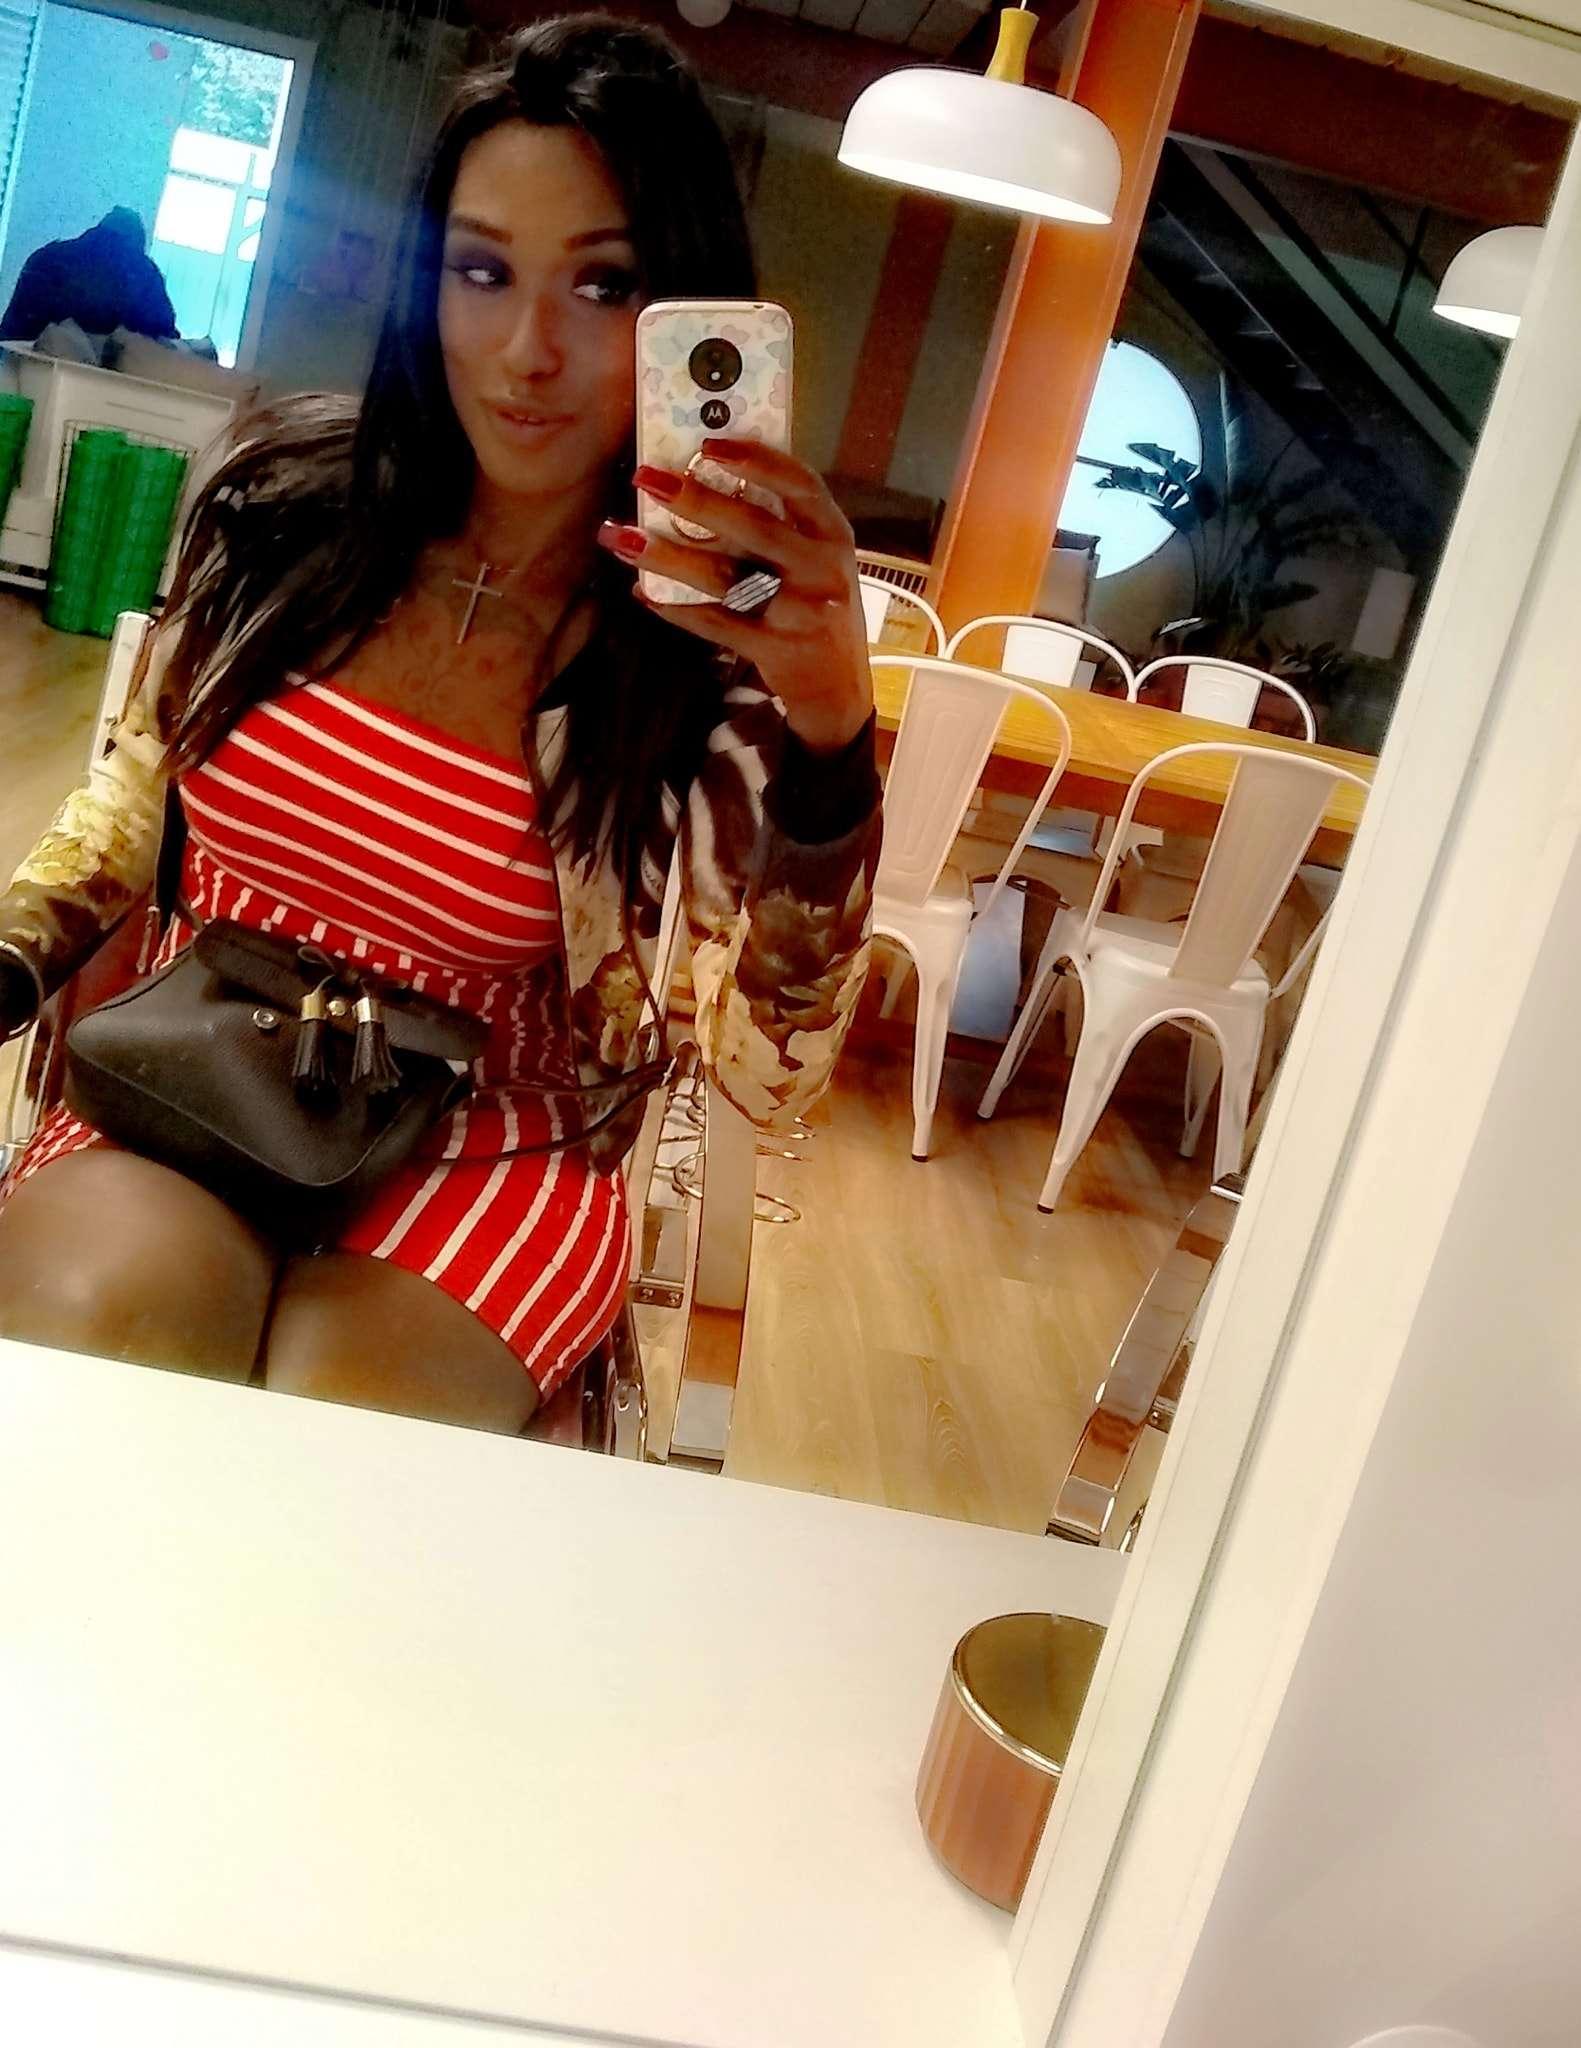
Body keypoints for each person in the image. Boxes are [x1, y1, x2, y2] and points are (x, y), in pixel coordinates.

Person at [0, 19, 879, 1435]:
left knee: (342, 1449)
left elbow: (768, 1079)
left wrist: (830, 740)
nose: (527, 352)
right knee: (95, 1358)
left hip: (492, 1142)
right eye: (482, 271)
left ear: (684, 311)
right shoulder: (282, 505)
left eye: (602, 284)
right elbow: (132, 796)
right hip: (199, 1066)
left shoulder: (704, 655)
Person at [0, 206, 179, 345]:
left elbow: (13, 327)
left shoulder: (48, 256)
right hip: (95, 378)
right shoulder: (145, 274)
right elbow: (164, 340)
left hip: (21, 364)